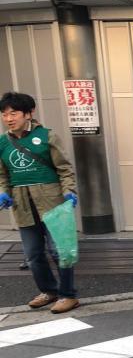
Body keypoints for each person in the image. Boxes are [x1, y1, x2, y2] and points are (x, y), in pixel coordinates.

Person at [0, 92, 80, 313]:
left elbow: (64, 168)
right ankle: (49, 291)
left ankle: (68, 295)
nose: (8, 118)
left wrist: (69, 191)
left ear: (29, 113)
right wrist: (2, 192)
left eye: (13, 113)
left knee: (60, 251)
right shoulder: (2, 142)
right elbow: (2, 175)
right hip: (22, 206)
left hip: (52, 202)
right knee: (34, 255)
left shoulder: (47, 136)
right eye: (4, 114)